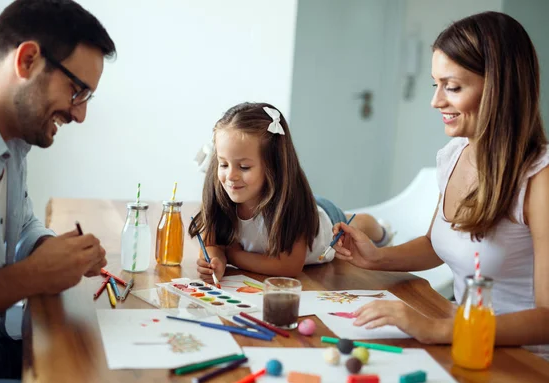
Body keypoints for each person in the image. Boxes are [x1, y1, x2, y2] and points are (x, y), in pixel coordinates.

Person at [333, 11, 549, 353]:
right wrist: (377, 258)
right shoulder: (454, 155)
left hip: (524, 362)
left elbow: (547, 318)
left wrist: (435, 328)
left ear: (499, 88)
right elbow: (438, 244)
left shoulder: (540, 180)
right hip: (461, 342)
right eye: (436, 85)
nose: (436, 101)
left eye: (453, 87)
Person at [0, 0, 116, 383]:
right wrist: (33, 276)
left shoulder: (11, 138)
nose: (80, 116)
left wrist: (49, 249)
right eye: (77, 92)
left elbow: (19, 225)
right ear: (27, 60)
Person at [189, 102, 391, 283]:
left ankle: (382, 230)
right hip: (302, 205)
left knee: (357, 225)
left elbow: (288, 267)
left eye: (244, 167)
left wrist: (233, 256)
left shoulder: (290, 208)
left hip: (325, 221)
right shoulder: (221, 196)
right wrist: (216, 261)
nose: (230, 176)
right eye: (224, 164)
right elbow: (211, 245)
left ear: (273, 167)